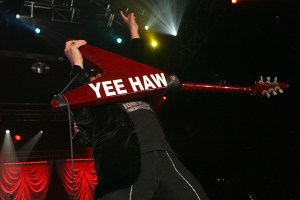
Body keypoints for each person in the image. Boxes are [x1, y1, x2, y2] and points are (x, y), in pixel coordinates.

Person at [64, 10, 210, 200]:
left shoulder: (135, 87)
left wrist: (133, 30)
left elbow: (138, 66)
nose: (100, 75)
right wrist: (77, 65)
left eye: (101, 73)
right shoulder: (96, 102)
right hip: (124, 162)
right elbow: (81, 112)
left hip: (166, 157)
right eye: (94, 74)